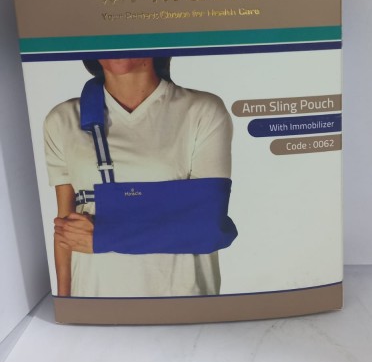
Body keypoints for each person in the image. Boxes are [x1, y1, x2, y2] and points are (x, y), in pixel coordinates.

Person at [44, 56, 234, 298]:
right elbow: (65, 227)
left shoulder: (201, 110)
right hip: (95, 293)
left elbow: (208, 227)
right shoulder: (63, 119)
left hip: (182, 294)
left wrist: (107, 236)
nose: (114, 45)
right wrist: (65, 302)